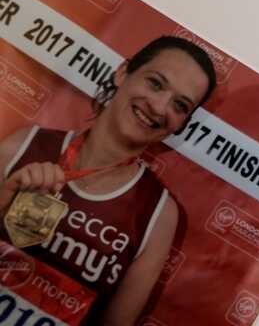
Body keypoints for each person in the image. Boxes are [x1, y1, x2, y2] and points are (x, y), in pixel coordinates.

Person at [0, 36, 216, 325]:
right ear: (123, 72)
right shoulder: (22, 146)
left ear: (181, 124)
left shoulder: (158, 214)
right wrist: (3, 200)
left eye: (180, 105)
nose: (160, 106)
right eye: (155, 83)